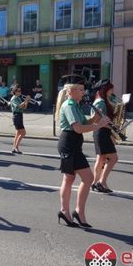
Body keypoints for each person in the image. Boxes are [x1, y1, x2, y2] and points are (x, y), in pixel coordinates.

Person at [55, 75, 109, 228]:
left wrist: (96, 117)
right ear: (71, 91)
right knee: (85, 178)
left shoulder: (76, 105)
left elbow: (85, 123)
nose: (83, 92)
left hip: (73, 145)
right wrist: (99, 125)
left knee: (70, 179)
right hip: (69, 144)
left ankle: (69, 212)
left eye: (83, 89)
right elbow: (78, 128)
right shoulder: (69, 105)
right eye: (80, 89)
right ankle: (73, 212)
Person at [91, 79, 119, 193]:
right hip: (102, 132)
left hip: (102, 132)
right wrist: (114, 129)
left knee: (101, 158)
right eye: (110, 88)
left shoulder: (103, 101)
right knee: (113, 158)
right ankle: (101, 182)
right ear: (105, 89)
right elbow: (97, 121)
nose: (112, 90)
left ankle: (95, 182)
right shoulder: (101, 102)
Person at [9, 84, 29, 154]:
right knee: (23, 133)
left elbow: (24, 107)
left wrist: (26, 102)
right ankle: (16, 147)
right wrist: (25, 100)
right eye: (18, 91)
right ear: (15, 91)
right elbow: (19, 106)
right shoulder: (14, 98)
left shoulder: (19, 98)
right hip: (16, 116)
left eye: (20, 91)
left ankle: (14, 147)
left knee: (18, 132)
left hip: (20, 115)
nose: (20, 92)